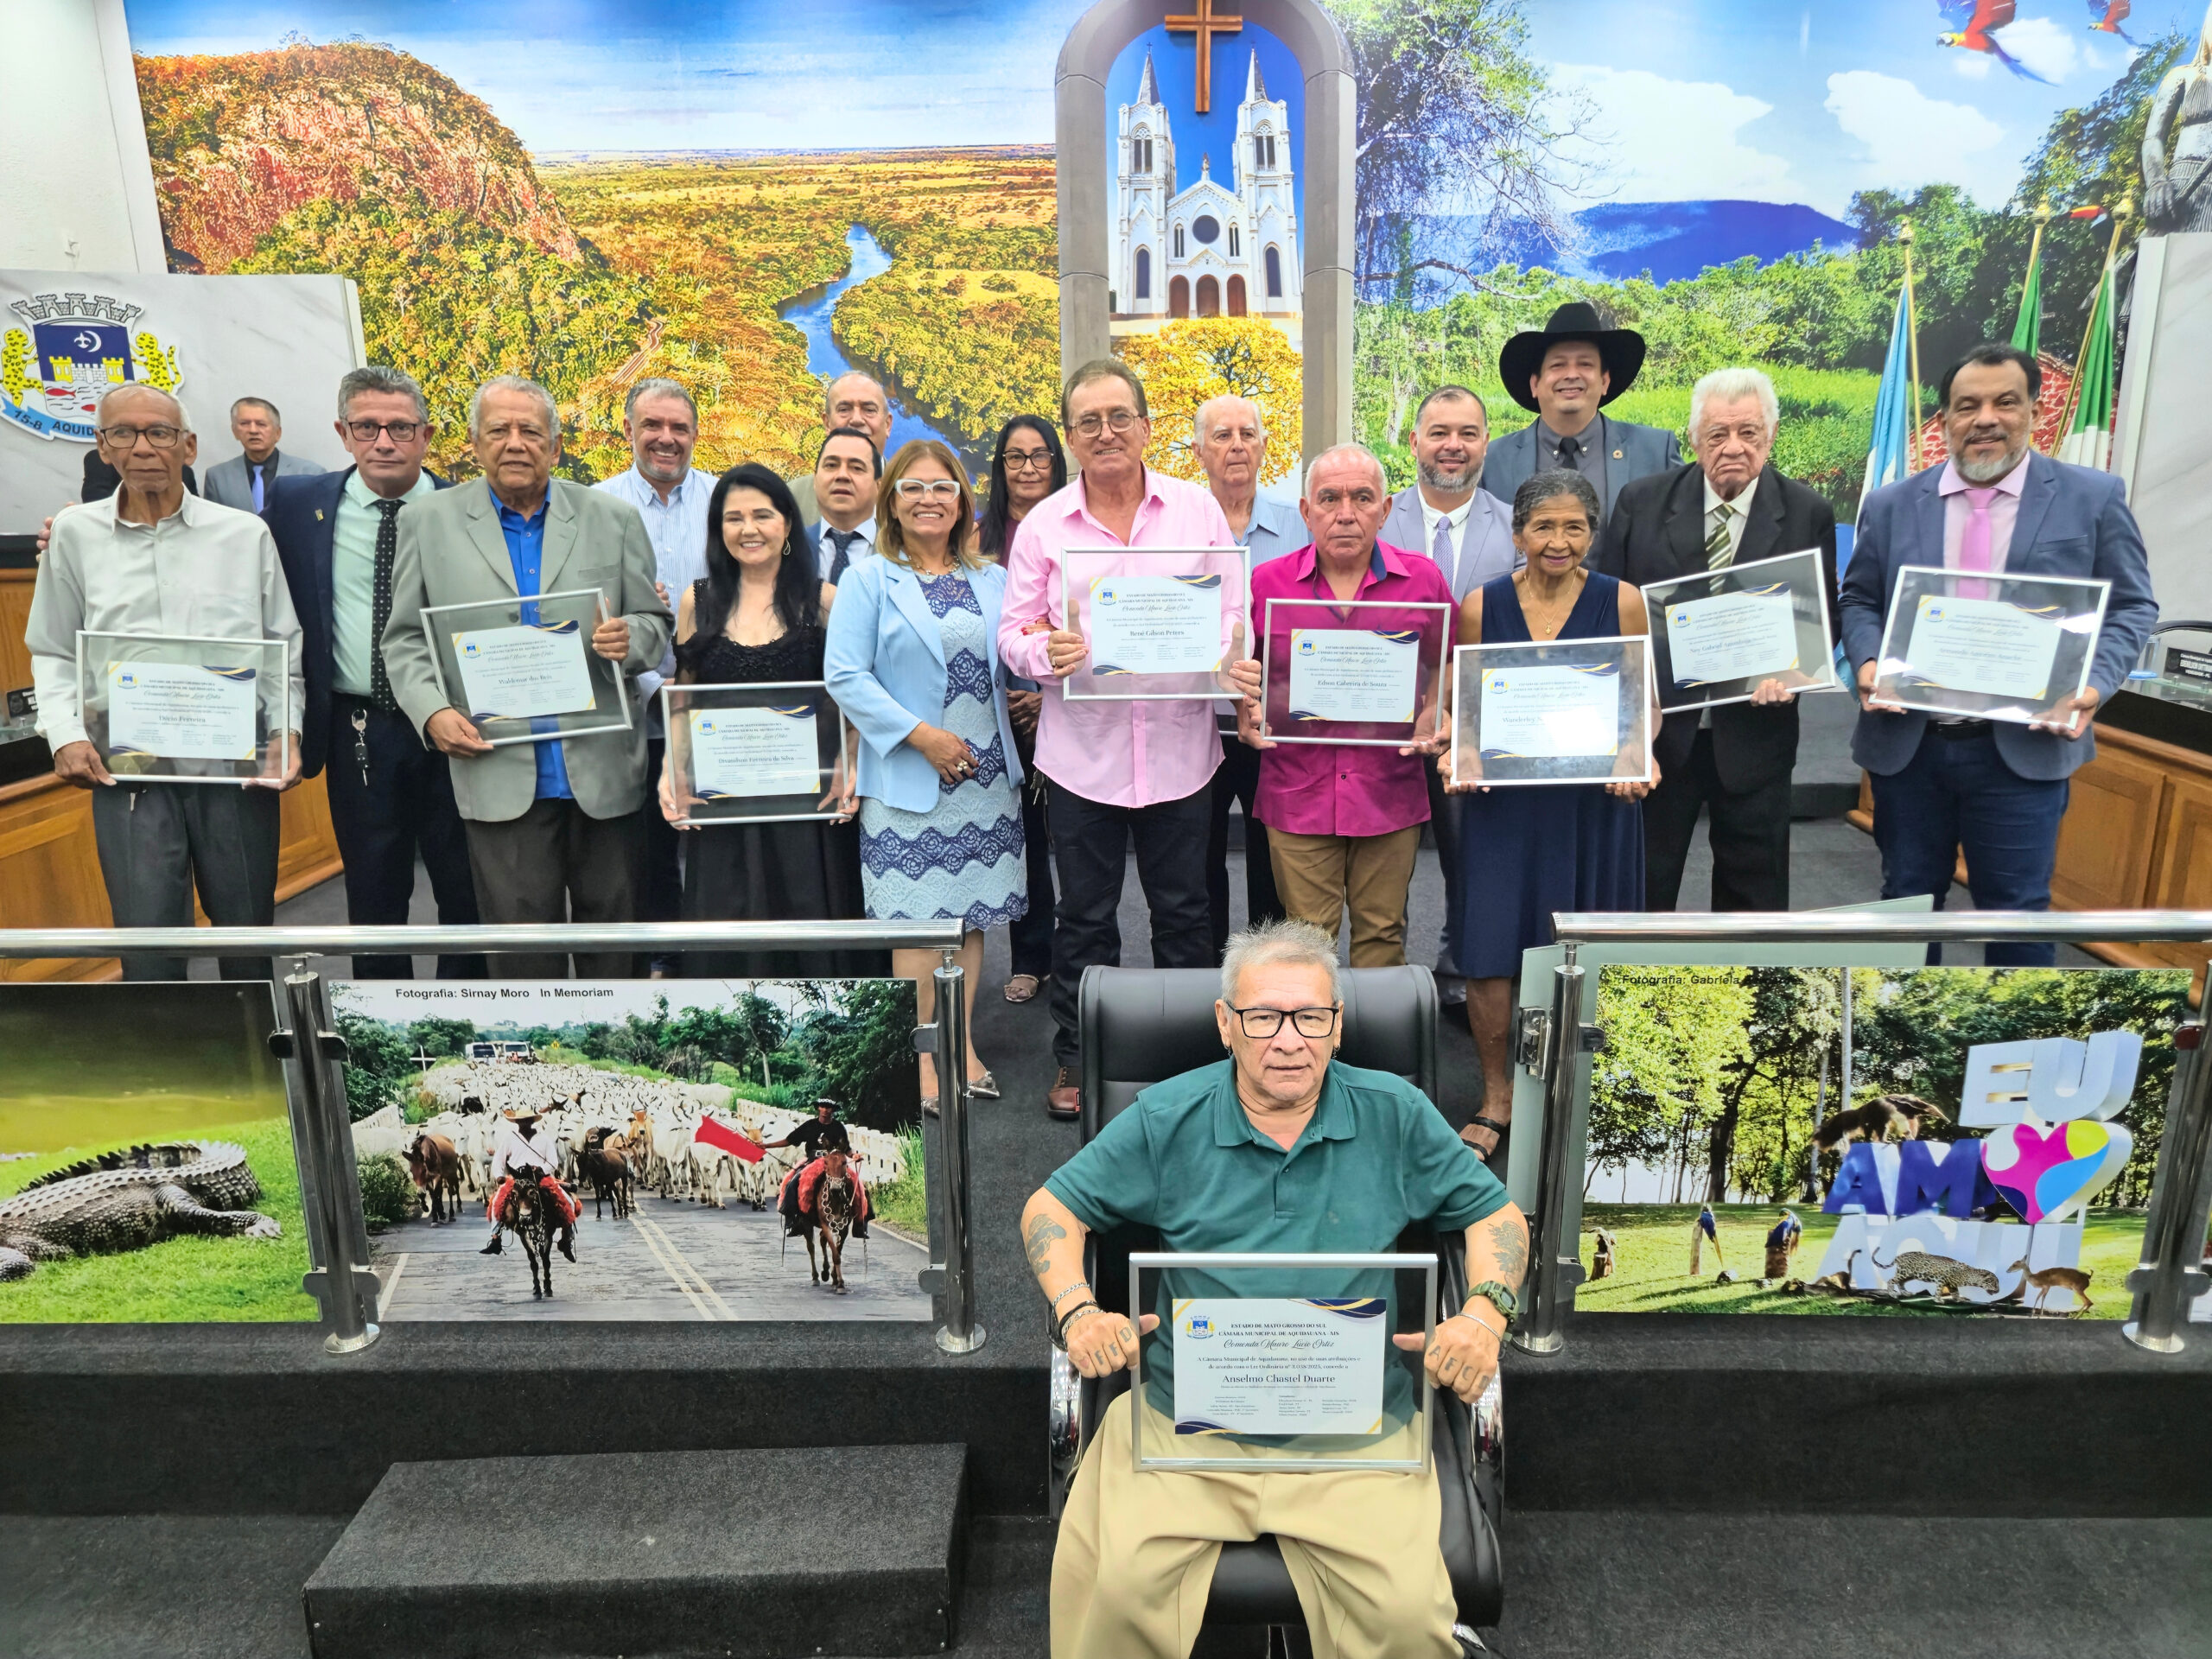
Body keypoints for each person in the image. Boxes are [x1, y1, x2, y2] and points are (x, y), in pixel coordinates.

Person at [1024, 918, 1530, 1659]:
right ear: (1226, 1023)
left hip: (1353, 1431)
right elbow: (1051, 1208)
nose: (1288, 1040)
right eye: (1263, 1017)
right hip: (1186, 1425)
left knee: (1403, 1620)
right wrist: (1078, 1311)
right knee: (1116, 1596)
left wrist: (1483, 1315)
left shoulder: (1394, 1112)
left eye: (1310, 1017)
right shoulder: (1167, 1116)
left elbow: (1495, 1215)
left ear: (1338, 1025)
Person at [1840, 341, 2158, 967]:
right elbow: (1860, 599)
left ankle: (2014, 1037)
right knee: (1904, 907)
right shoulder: (1891, 504)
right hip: (1911, 748)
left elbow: (2131, 607)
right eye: (1967, 406)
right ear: (1946, 419)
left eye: (2004, 402)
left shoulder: (2091, 498)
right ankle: (1900, 1030)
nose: (1985, 419)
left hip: (2022, 752)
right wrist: (1870, 662)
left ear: (2034, 410)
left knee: (2017, 915)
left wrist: (2091, 686)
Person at [999, 360, 1258, 1121]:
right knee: (1084, 919)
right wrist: (1045, 652)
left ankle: (1194, 1059)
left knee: (1186, 915)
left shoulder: (1196, 510)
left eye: (1119, 417)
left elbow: (1231, 612)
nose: (1106, 432)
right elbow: (1012, 633)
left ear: (1145, 426)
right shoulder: (1044, 526)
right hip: (1082, 758)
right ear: (1071, 437)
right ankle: (1080, 1056)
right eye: (1089, 421)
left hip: (1181, 752)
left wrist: (1229, 653)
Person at [380, 374, 672, 979]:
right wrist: (432, 712)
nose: (515, 443)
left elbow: (654, 622)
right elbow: (403, 639)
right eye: (499, 430)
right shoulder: (427, 522)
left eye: (531, 432)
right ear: (474, 443)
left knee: (615, 950)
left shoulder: (612, 518)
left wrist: (632, 640)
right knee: (521, 959)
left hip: (602, 773)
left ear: (556, 446)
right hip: (496, 769)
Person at [25, 384, 304, 982]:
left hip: (234, 767)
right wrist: (64, 733)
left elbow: (281, 645)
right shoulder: (74, 534)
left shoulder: (244, 534)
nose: (143, 447)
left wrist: (287, 731)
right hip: (128, 770)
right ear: (103, 448)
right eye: (123, 433)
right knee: (148, 941)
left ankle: (255, 1038)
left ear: (189, 446)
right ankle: (164, 1041)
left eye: (159, 432)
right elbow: (52, 647)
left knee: (248, 933)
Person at [1444, 470, 1655, 1161]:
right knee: (1489, 950)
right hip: (1503, 807)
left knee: (1592, 948)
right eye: (1543, 527)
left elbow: (1642, 706)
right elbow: (1465, 708)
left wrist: (1636, 753)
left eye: (1574, 527)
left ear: (1592, 534)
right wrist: (1463, 752)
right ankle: (1497, 1096)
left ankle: (1588, 1093)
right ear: (1518, 534)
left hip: (1597, 807)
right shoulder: (1481, 605)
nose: (1558, 541)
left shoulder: (1623, 601)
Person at [263, 365, 483, 980]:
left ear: (426, 435)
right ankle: (383, 1028)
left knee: (466, 890)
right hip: (358, 727)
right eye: (367, 427)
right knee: (373, 894)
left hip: (456, 726)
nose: (384, 441)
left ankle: (469, 1018)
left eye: (400, 427)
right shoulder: (297, 505)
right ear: (343, 432)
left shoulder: (469, 508)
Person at [1595, 366, 1840, 912]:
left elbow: (1823, 619)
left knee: (1753, 902)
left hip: (1758, 737)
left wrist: (1794, 673)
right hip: (1661, 739)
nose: (1733, 447)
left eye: (1748, 432)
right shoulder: (1642, 503)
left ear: (1771, 435)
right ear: (1693, 438)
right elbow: (1611, 617)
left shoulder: (1808, 512)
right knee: (1643, 891)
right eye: (1717, 434)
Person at [825, 438, 1026, 1109]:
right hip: (910, 778)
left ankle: (960, 1044)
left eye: (942, 487)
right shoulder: (868, 580)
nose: (928, 499)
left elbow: (1014, 659)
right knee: (916, 923)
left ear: (962, 502)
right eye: (912, 488)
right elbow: (844, 676)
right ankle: (920, 1060)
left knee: (969, 922)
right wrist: (923, 738)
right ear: (891, 502)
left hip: (985, 781)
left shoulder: (993, 580)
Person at [660, 463, 879, 979]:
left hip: (808, 811)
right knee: (727, 943)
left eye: (762, 515)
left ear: (787, 523)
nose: (748, 529)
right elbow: (684, 697)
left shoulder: (824, 603)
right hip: (724, 810)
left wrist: (850, 762)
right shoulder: (697, 601)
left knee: (811, 942)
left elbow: (852, 702)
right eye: (733, 518)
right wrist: (672, 771)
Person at [1242, 444, 1453, 965]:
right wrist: (1246, 708)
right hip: (1298, 790)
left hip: (1388, 790)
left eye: (1362, 498)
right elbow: (1243, 667)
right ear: (1306, 510)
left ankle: (1371, 1028)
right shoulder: (1266, 583)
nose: (1345, 513)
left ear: (1384, 510)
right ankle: (1317, 1025)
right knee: (1306, 944)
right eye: (1329, 498)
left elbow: (1447, 659)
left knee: (1382, 937)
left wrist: (1438, 709)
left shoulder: (1422, 580)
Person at [1380, 385, 1518, 1010]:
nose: (1453, 446)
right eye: (1439, 432)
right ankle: (1385, 986)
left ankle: (1463, 969)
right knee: (1385, 867)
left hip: (1480, 725)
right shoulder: (1378, 517)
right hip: (1386, 723)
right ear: (1414, 442)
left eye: (1467, 433)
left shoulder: (1517, 527)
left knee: (1472, 858)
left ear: (1486, 442)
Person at [595, 378, 720, 973]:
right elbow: (589, 610)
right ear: (628, 430)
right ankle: (664, 960)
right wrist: (654, 686)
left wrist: (695, 686)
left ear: (695, 434)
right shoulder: (596, 507)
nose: (666, 438)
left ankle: (718, 959)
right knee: (646, 848)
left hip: (716, 708)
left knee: (717, 845)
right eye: (652, 425)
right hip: (632, 709)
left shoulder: (724, 502)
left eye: (679, 427)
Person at [1193, 393, 1299, 959]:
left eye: (1247, 434)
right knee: (1198, 861)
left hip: (1275, 725)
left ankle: (1266, 977)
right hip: (1195, 721)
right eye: (1222, 435)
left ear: (1262, 446)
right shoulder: (1175, 526)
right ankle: (1207, 980)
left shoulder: (1300, 524)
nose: (1236, 446)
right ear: (1198, 451)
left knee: (1272, 860)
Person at [978, 415, 1069, 1004]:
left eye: (1040, 456)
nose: (1028, 467)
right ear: (1000, 466)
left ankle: (1082, 956)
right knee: (1026, 838)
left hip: (1067, 705)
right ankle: (1032, 957)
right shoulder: (977, 539)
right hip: (998, 712)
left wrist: (1046, 696)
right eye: (1016, 456)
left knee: (1080, 842)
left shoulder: (1074, 530)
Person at [1480, 302, 1681, 520]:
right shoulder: (1492, 461)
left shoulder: (1656, 452)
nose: (1572, 375)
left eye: (1585, 364)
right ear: (1535, 384)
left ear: (1605, 381)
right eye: (1558, 365)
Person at [787, 372, 893, 528]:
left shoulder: (913, 496)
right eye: (844, 409)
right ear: (827, 423)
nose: (856, 420)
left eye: (869, 410)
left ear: (887, 425)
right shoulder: (792, 497)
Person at [480, 1103, 578, 1262]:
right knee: (497, 1202)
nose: (523, 1124)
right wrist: (499, 1176)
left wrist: (541, 1169)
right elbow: (498, 1160)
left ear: (532, 1121)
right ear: (517, 1122)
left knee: (568, 1202)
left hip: (540, 1178)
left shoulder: (544, 1139)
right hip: (516, 1179)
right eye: (521, 1121)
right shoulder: (509, 1139)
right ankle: (496, 1239)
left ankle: (566, 1239)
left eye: (527, 1120)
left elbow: (553, 1162)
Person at [202, 396, 323, 512]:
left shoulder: (310, 473)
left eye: (261, 424)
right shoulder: (217, 477)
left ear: (278, 433)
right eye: (244, 423)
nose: (253, 430)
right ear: (234, 431)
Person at [810, 426, 884, 583]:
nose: (842, 475)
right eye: (831, 465)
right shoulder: (787, 548)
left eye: (857, 468)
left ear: (878, 486)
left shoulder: (905, 554)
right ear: (815, 479)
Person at [759, 1097, 853, 1159]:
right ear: (818, 1108)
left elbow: (847, 1149)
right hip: (812, 1162)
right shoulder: (809, 1125)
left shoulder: (839, 1127)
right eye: (822, 1106)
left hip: (834, 1164)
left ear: (833, 1110)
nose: (825, 1110)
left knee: (853, 1181)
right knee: (792, 1181)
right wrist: (766, 1145)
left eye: (828, 1107)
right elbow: (789, 1140)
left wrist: (853, 1156)